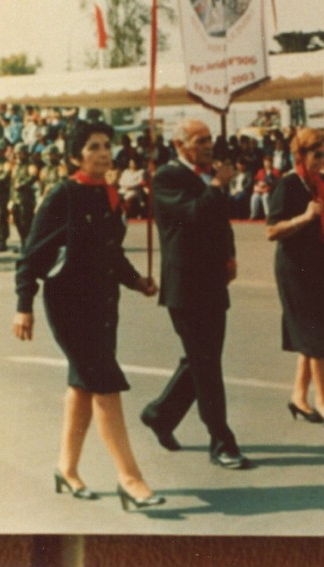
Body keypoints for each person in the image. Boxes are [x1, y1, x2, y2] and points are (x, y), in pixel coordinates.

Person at [12, 121, 164, 511]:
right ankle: (130, 478)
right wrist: (23, 305)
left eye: (106, 145)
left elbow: (111, 253)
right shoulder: (63, 194)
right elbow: (30, 255)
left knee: (83, 385)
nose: (102, 152)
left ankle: (67, 468)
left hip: (102, 305)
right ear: (76, 155)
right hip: (69, 306)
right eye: (93, 146)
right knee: (104, 383)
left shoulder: (108, 195)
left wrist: (137, 282)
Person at [140, 119, 249, 470]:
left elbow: (220, 222)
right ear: (180, 145)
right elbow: (193, 217)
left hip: (212, 281)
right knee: (206, 364)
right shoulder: (167, 178)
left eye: (209, 139)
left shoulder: (206, 176)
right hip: (185, 287)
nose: (208, 145)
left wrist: (229, 254)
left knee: (201, 360)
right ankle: (221, 440)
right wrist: (217, 185)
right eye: (200, 140)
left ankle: (160, 414)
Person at [266, 128, 324, 430]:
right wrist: (304, 218)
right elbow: (272, 231)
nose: (322, 160)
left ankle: (298, 397)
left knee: (314, 334)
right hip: (295, 269)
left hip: (322, 265)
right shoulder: (288, 185)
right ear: (301, 156)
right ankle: (323, 399)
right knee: (317, 335)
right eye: (316, 155)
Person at [249, 154, 281, 220]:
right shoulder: (260, 171)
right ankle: (253, 215)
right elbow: (255, 180)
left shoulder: (275, 171)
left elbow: (276, 183)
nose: (267, 163)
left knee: (265, 197)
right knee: (254, 196)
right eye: (265, 162)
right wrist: (258, 183)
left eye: (268, 162)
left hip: (270, 191)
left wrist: (266, 183)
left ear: (271, 162)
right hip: (260, 190)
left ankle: (268, 215)